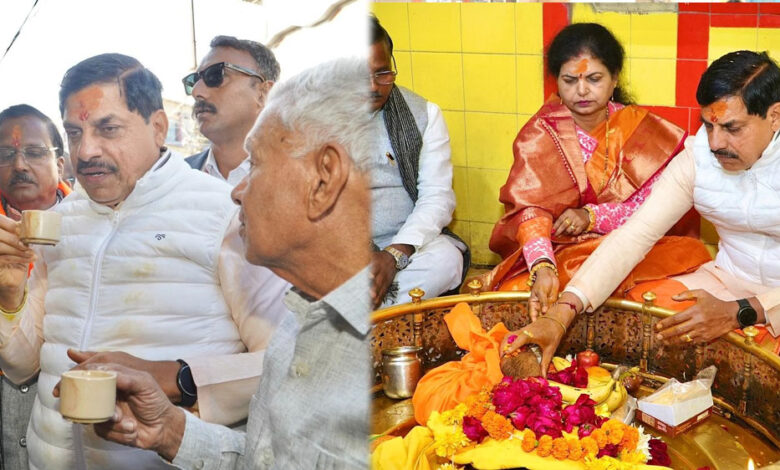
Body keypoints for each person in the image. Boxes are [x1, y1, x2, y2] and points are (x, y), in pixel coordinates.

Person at [65, 57, 373, 469]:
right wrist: (171, 432)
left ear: (323, 178)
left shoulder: (359, 349)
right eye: (74, 133)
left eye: (256, 164)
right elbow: (266, 460)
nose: (236, 191)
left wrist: (181, 378)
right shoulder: (300, 325)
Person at [0, 54, 289, 470]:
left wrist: (177, 377)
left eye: (108, 128)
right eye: (74, 132)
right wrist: (10, 297)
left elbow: (286, 361)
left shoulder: (224, 215)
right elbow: (23, 368)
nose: (86, 151)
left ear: (158, 127)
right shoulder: (61, 222)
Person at [504, 50, 780, 368]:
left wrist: (740, 312)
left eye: (732, 128)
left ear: (774, 116)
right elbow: (635, 234)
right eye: (708, 126)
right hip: (726, 281)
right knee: (640, 317)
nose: (716, 142)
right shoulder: (699, 158)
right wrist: (561, 313)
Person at [483, 23, 709, 318]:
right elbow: (530, 212)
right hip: (561, 252)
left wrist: (591, 217)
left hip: (633, 247)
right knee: (515, 299)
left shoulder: (642, 131)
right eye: (569, 80)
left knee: (668, 291)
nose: (582, 90)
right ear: (556, 81)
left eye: (594, 79)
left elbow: (653, 209)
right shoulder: (540, 134)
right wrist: (542, 266)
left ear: (614, 78)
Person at [369, 16, 467, 308]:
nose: (373, 86)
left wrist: (394, 255)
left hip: (405, 247)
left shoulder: (424, 114)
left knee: (446, 260)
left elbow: (437, 197)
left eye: (382, 73)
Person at [0, 104, 71, 470]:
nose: (19, 164)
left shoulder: (92, 223)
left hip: (67, 393)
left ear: (60, 164)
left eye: (34, 151)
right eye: (5, 154)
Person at [184, 35, 279, 186]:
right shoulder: (175, 180)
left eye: (215, 75)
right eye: (194, 81)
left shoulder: (304, 177)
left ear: (263, 93)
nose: (197, 91)